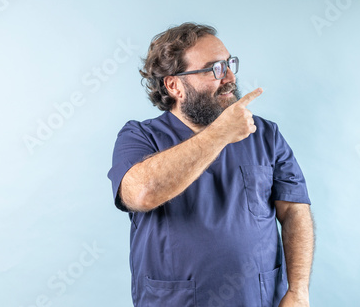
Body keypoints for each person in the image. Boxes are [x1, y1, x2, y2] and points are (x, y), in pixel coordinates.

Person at [107, 22, 314, 307]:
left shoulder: (265, 134)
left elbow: (294, 211)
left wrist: (298, 291)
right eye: (214, 68)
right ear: (174, 85)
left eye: (230, 64)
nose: (229, 76)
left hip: (259, 299)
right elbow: (141, 193)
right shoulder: (140, 137)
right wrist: (219, 134)